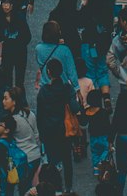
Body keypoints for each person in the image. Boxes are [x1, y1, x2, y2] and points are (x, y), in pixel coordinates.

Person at [35, 59, 77, 189]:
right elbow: (75, 108)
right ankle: (68, 188)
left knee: (52, 162)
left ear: (48, 72)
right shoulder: (67, 88)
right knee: (67, 161)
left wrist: (41, 135)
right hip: (64, 130)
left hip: (49, 131)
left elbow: (40, 115)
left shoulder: (44, 91)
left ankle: (54, 187)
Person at [0, 0, 32, 90]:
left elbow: (28, 37)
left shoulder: (19, 17)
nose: (6, 6)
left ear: (13, 5)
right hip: (7, 52)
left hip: (20, 52)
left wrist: (18, 44)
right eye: (4, 4)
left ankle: (20, 101)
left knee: (20, 80)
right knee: (7, 78)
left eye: (9, 4)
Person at [34, 19, 78, 89]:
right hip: (62, 88)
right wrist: (77, 87)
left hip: (45, 87)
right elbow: (71, 72)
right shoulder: (65, 50)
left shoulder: (38, 48)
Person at [84, 87, 112, 173]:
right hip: (103, 136)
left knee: (95, 152)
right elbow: (108, 125)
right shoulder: (103, 112)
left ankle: (96, 169)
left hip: (93, 136)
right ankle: (102, 162)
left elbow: (83, 122)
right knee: (105, 150)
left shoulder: (87, 112)